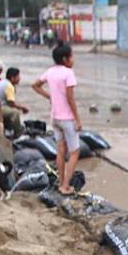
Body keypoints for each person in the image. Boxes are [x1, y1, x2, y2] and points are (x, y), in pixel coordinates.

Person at [31, 43, 83, 195]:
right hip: (67, 119)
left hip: (55, 118)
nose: (73, 60)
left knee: (61, 151)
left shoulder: (50, 71)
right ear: (65, 59)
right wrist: (78, 120)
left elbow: (35, 85)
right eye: (72, 56)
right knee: (75, 152)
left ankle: (61, 182)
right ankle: (65, 186)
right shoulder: (68, 73)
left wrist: (50, 96)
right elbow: (70, 98)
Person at [0, 66, 29, 138]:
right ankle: (18, 135)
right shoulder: (9, 86)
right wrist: (23, 108)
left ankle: (9, 129)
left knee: (9, 111)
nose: (19, 79)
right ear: (12, 78)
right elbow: (11, 104)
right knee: (15, 112)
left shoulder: (4, 83)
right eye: (18, 77)